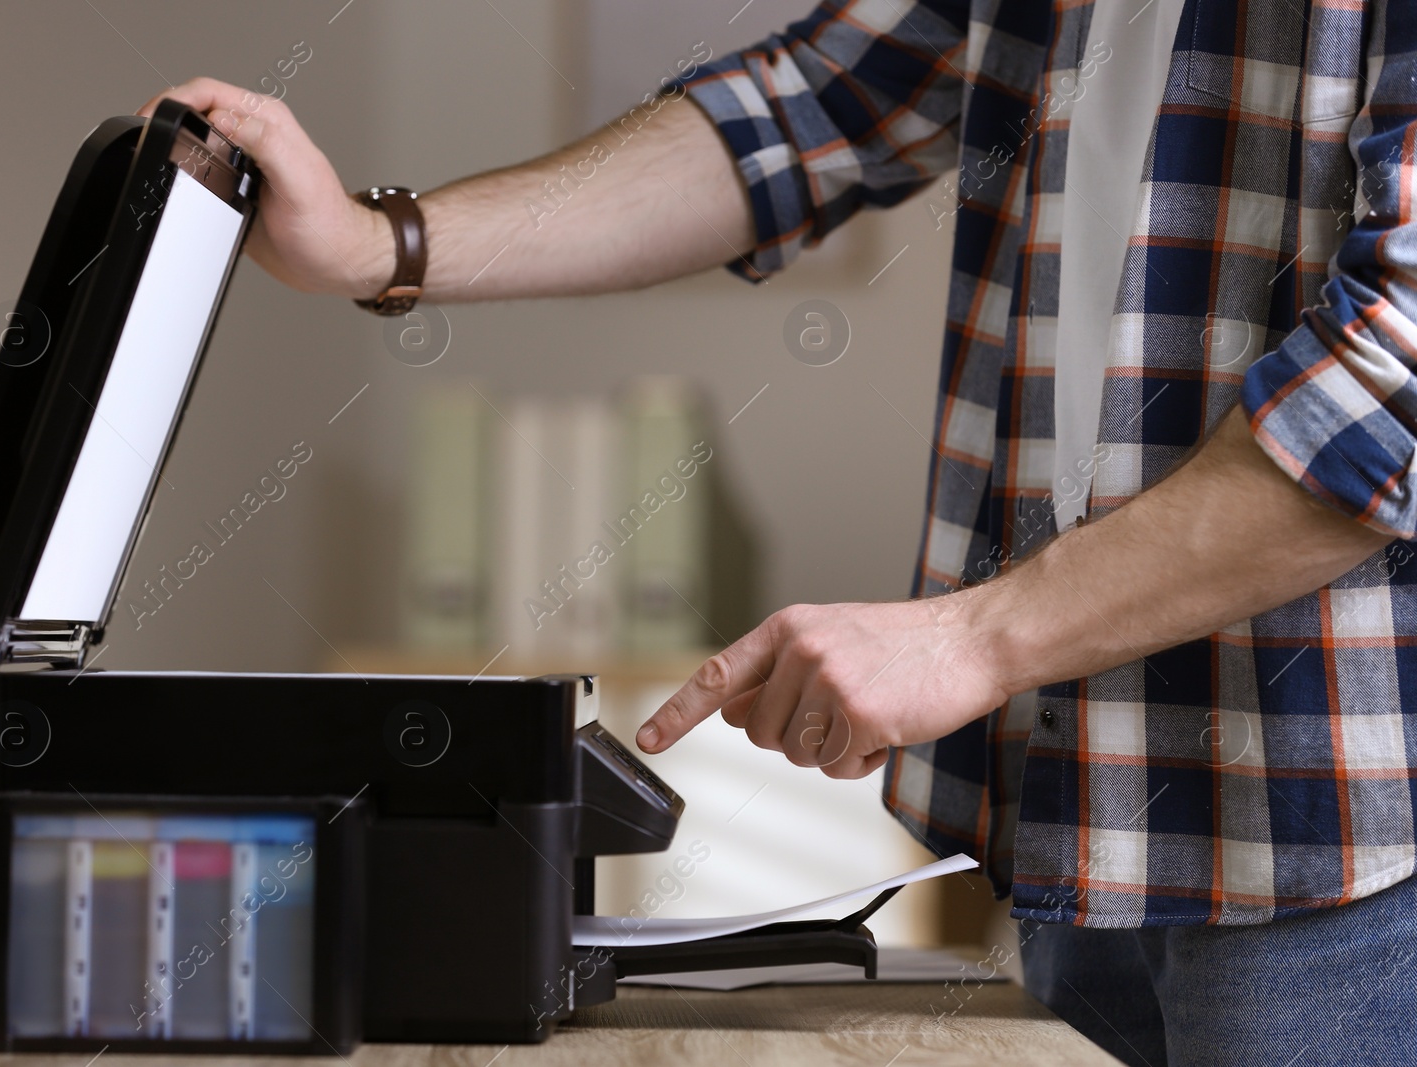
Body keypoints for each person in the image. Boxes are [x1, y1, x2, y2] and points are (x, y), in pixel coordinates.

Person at [142, 0, 1417, 1061]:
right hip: (1085, 802)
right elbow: (811, 106)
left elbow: (1394, 386)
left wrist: (978, 636)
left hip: (1350, 852)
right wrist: (381, 243)